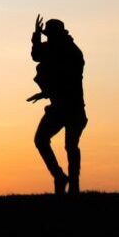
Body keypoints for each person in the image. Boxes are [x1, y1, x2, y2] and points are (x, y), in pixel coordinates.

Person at [28, 15, 86, 194]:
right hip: (59, 107)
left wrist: (46, 92)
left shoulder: (72, 53)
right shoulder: (53, 48)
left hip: (72, 108)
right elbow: (36, 55)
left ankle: (73, 186)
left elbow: (68, 81)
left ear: (57, 35)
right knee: (41, 140)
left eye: (48, 36)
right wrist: (36, 37)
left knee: (70, 146)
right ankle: (60, 177)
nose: (47, 39)